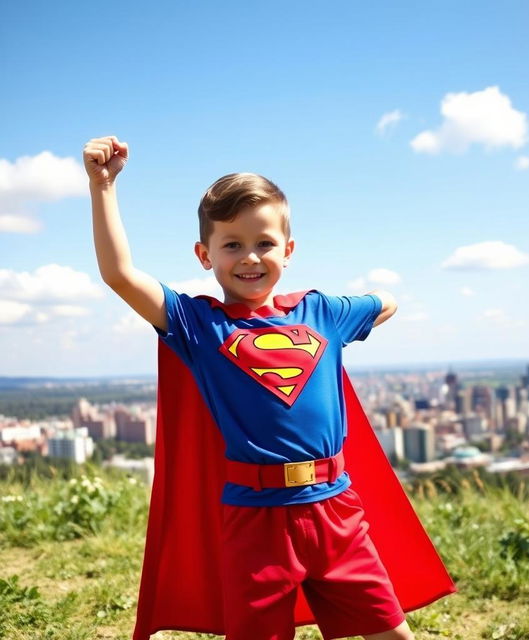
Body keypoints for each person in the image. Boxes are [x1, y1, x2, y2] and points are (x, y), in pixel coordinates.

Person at [83, 135, 454, 640]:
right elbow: (121, 275)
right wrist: (102, 186)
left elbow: (386, 302)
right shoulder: (199, 325)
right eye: (231, 244)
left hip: (337, 509)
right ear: (204, 254)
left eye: (264, 243)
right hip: (255, 521)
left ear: (289, 250)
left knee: (391, 633)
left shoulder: (321, 312)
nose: (250, 257)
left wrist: (351, 303)